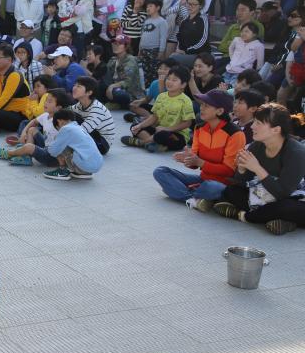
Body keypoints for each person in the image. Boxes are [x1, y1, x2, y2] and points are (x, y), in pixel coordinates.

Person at [213, 104, 305, 235]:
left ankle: (245, 216)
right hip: (265, 194)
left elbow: (282, 193)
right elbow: (241, 182)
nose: (252, 126)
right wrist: (242, 169)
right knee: (231, 191)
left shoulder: (296, 152)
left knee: (287, 208)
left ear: (276, 130)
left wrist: (257, 168)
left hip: (293, 197)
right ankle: (280, 221)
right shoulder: (257, 146)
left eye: (259, 123)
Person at [153, 89, 246, 211]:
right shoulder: (199, 128)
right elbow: (194, 165)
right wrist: (188, 159)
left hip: (222, 184)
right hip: (203, 179)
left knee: (212, 187)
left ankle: (187, 194)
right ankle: (194, 198)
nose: (201, 108)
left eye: (206, 105)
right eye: (202, 104)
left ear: (220, 111)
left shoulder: (235, 134)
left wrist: (199, 162)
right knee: (160, 171)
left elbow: (229, 171)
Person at [122, 65, 194, 152]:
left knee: (163, 135)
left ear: (183, 84)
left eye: (174, 80)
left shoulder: (186, 100)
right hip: (158, 129)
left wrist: (167, 129)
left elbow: (187, 123)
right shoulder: (161, 96)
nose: (169, 82)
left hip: (176, 134)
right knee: (135, 126)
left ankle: (141, 142)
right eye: (168, 78)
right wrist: (140, 125)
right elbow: (154, 116)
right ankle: (155, 144)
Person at [0, 87, 74, 167]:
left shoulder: (60, 122)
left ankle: (9, 153)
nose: (45, 103)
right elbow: (33, 122)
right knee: (32, 129)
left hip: (53, 157)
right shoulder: (46, 115)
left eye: (49, 101)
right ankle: (26, 157)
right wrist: (23, 133)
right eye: (46, 100)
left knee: (29, 147)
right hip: (46, 147)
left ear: (58, 108)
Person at [41, 109, 105, 180]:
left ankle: (62, 170)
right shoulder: (79, 128)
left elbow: (53, 151)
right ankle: (81, 172)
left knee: (59, 142)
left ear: (59, 121)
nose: (59, 131)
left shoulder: (66, 129)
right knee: (66, 142)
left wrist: (53, 143)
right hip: (95, 166)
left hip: (83, 166)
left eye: (58, 129)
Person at [70, 76, 116, 154]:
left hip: (102, 144)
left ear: (89, 92)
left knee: (70, 117)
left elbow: (83, 131)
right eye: (74, 85)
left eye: (79, 86)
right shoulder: (79, 105)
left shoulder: (97, 108)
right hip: (92, 136)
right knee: (66, 114)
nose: (74, 88)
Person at [104, 35, 143, 108]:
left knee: (119, 94)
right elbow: (104, 74)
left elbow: (127, 82)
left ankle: (121, 104)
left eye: (119, 44)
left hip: (129, 92)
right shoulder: (113, 59)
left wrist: (111, 86)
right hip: (114, 88)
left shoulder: (130, 59)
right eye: (115, 44)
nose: (116, 46)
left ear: (126, 46)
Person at [138, 0, 167, 85]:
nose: (148, 8)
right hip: (144, 50)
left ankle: (154, 91)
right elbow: (142, 35)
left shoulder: (162, 21)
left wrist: (161, 51)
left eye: (150, 6)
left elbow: (163, 37)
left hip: (154, 50)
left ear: (157, 7)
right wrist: (140, 49)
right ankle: (147, 91)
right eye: (147, 6)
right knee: (145, 72)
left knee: (154, 73)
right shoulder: (146, 21)